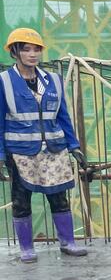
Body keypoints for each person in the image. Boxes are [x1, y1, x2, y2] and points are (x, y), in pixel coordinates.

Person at [0, 28, 90, 262]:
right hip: (20, 152)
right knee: (21, 200)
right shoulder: (4, 82)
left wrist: (74, 146)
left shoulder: (53, 81)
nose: (33, 54)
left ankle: (68, 242)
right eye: (26, 49)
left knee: (59, 196)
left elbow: (63, 116)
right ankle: (26, 248)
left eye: (36, 49)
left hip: (54, 149)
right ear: (15, 52)